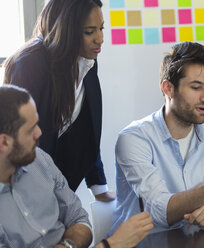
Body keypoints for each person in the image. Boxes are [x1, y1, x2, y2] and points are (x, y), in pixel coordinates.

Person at [110, 42, 204, 234]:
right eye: (196, 88)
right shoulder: (134, 138)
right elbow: (161, 212)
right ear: (168, 89)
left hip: (195, 241)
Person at [0, 85, 154, 248]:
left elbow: (80, 220)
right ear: (4, 142)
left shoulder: (40, 160)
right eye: (31, 129)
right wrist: (112, 245)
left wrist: (67, 245)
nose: (39, 133)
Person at [3, 0, 114, 201]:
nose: (100, 38)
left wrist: (99, 187)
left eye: (101, 28)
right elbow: (19, 137)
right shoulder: (30, 64)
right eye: (89, 31)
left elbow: (88, 128)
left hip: (55, 185)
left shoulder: (86, 62)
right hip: (23, 187)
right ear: (66, 29)